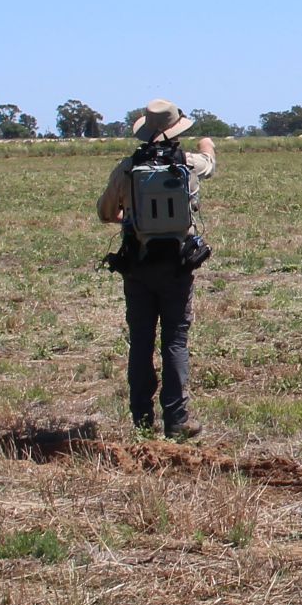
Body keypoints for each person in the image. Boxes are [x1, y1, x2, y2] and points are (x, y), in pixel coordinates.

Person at [96, 101, 218, 438]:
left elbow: (105, 212)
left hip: (138, 266)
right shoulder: (188, 164)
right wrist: (207, 144)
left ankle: (141, 419)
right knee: (175, 342)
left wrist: (129, 218)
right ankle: (177, 420)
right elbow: (209, 162)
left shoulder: (127, 168)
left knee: (141, 342)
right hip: (178, 267)